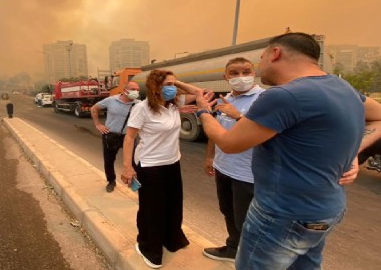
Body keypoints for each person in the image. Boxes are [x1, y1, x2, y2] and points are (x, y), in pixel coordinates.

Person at [195, 32, 381, 269]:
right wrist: (353, 150)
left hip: (282, 213)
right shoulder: (342, 87)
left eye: (260, 60)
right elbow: (378, 118)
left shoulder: (284, 96)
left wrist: (202, 112)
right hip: (327, 210)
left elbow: (230, 143)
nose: (260, 68)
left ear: (276, 53)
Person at [120, 70, 203, 268]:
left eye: (173, 84)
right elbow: (130, 137)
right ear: (155, 87)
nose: (172, 88)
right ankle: (148, 246)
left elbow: (200, 92)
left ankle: (171, 239)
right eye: (167, 85)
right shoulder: (142, 108)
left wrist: (177, 83)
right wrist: (127, 166)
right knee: (152, 210)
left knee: (173, 205)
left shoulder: (174, 105)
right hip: (150, 166)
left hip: (172, 163)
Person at [202, 57, 265, 263]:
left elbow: (266, 134)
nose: (241, 77)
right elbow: (216, 131)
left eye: (246, 72)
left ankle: (251, 259)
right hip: (224, 167)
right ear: (226, 77)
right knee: (227, 210)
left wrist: (238, 116)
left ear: (254, 73)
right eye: (234, 73)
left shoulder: (264, 99)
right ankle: (232, 248)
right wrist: (210, 156)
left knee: (247, 220)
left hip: (248, 173)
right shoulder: (224, 99)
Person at [90, 81, 141, 193]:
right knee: (109, 160)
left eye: (137, 90)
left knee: (134, 161)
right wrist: (98, 124)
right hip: (111, 136)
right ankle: (111, 181)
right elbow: (94, 109)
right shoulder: (111, 100)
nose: (136, 92)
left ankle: (133, 183)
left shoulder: (139, 104)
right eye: (133, 89)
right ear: (125, 90)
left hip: (129, 137)